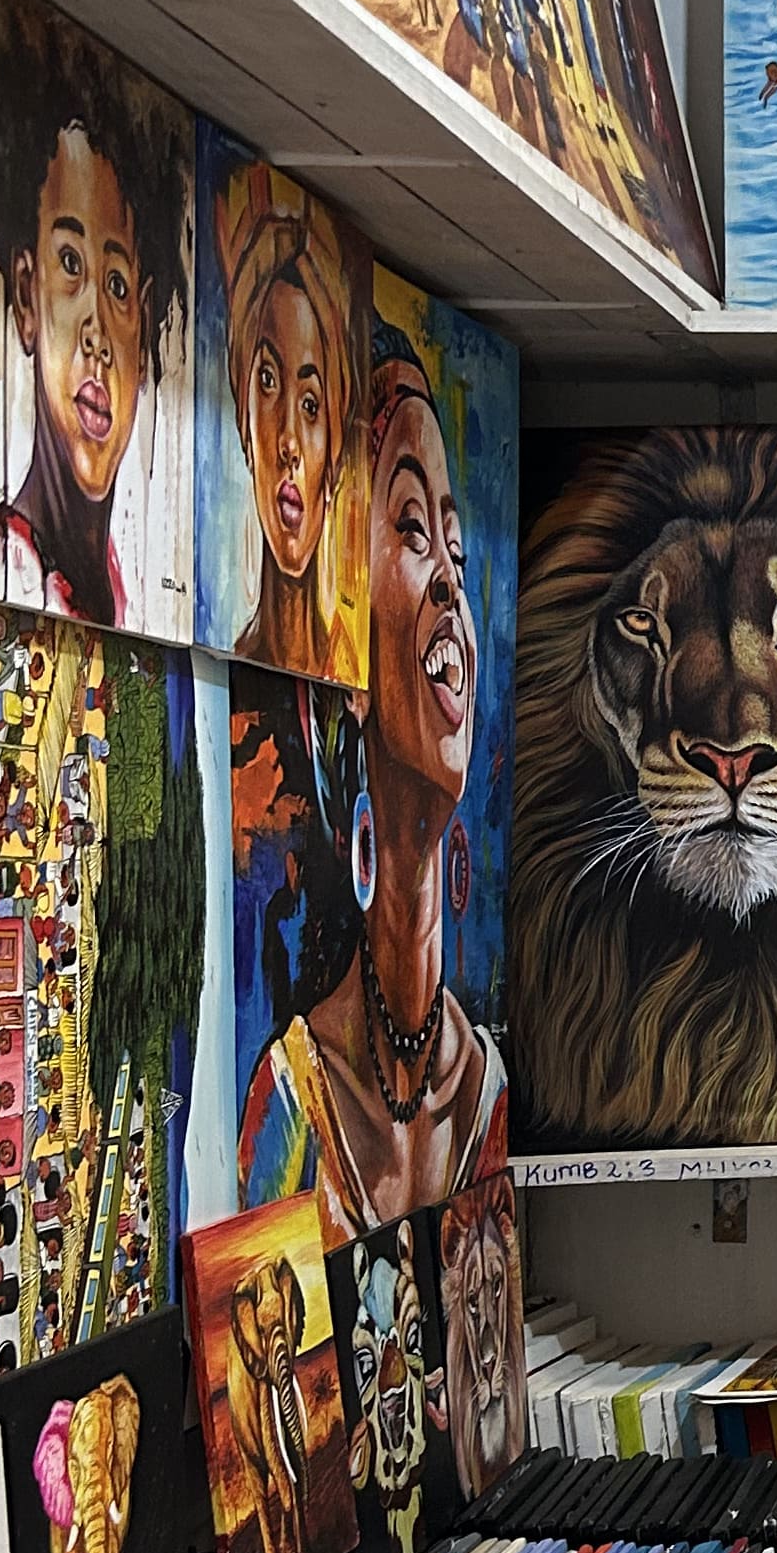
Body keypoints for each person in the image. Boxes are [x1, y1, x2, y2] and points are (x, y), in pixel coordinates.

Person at [239, 319, 504, 1242]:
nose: (451, 585)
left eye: (457, 548)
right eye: (413, 530)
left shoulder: (486, 1091)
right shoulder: (292, 1103)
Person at [0, 74, 184, 630]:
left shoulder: (132, 598)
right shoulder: (4, 568)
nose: (96, 333)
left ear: (142, 332)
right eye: (70, 263)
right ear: (26, 294)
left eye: (117, 284)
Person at [216, 161, 365, 681]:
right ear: (243, 419)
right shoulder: (229, 657)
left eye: (311, 404)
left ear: (337, 452)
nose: (289, 442)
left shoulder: (351, 683)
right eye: (267, 381)